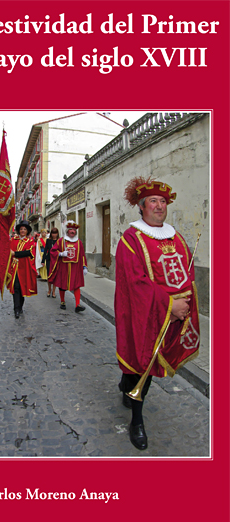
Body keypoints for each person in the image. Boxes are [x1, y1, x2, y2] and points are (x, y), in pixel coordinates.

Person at [114, 176, 200, 451]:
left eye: (163, 201)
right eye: (154, 201)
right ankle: (136, 421)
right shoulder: (131, 239)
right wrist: (168, 305)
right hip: (144, 313)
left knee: (147, 364)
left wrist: (185, 303)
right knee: (141, 365)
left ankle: (126, 384)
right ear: (141, 207)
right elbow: (135, 282)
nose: (160, 206)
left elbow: (187, 272)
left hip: (172, 313)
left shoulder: (176, 237)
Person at [48, 222, 87, 313]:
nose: (72, 231)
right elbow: (53, 251)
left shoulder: (79, 242)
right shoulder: (61, 241)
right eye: (70, 230)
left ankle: (78, 305)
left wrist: (84, 266)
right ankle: (62, 302)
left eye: (74, 230)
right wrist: (60, 254)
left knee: (77, 285)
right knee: (62, 285)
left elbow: (82, 255)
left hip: (75, 267)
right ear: (67, 231)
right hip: (64, 267)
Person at [6, 220, 38, 319]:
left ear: (27, 231)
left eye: (24, 229)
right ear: (18, 230)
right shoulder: (13, 240)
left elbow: (28, 253)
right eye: (21, 229)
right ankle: (16, 309)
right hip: (14, 268)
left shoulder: (30, 242)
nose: (23, 231)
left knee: (21, 288)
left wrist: (14, 254)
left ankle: (20, 307)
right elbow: (8, 250)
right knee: (15, 287)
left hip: (24, 269)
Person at [42, 227, 59, 298]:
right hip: (49, 260)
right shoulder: (48, 241)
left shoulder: (59, 241)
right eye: (53, 233)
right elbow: (45, 250)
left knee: (55, 276)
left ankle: (54, 291)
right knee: (49, 275)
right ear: (51, 234)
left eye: (55, 233)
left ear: (57, 234)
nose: (54, 235)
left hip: (56, 260)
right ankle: (49, 290)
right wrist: (43, 261)